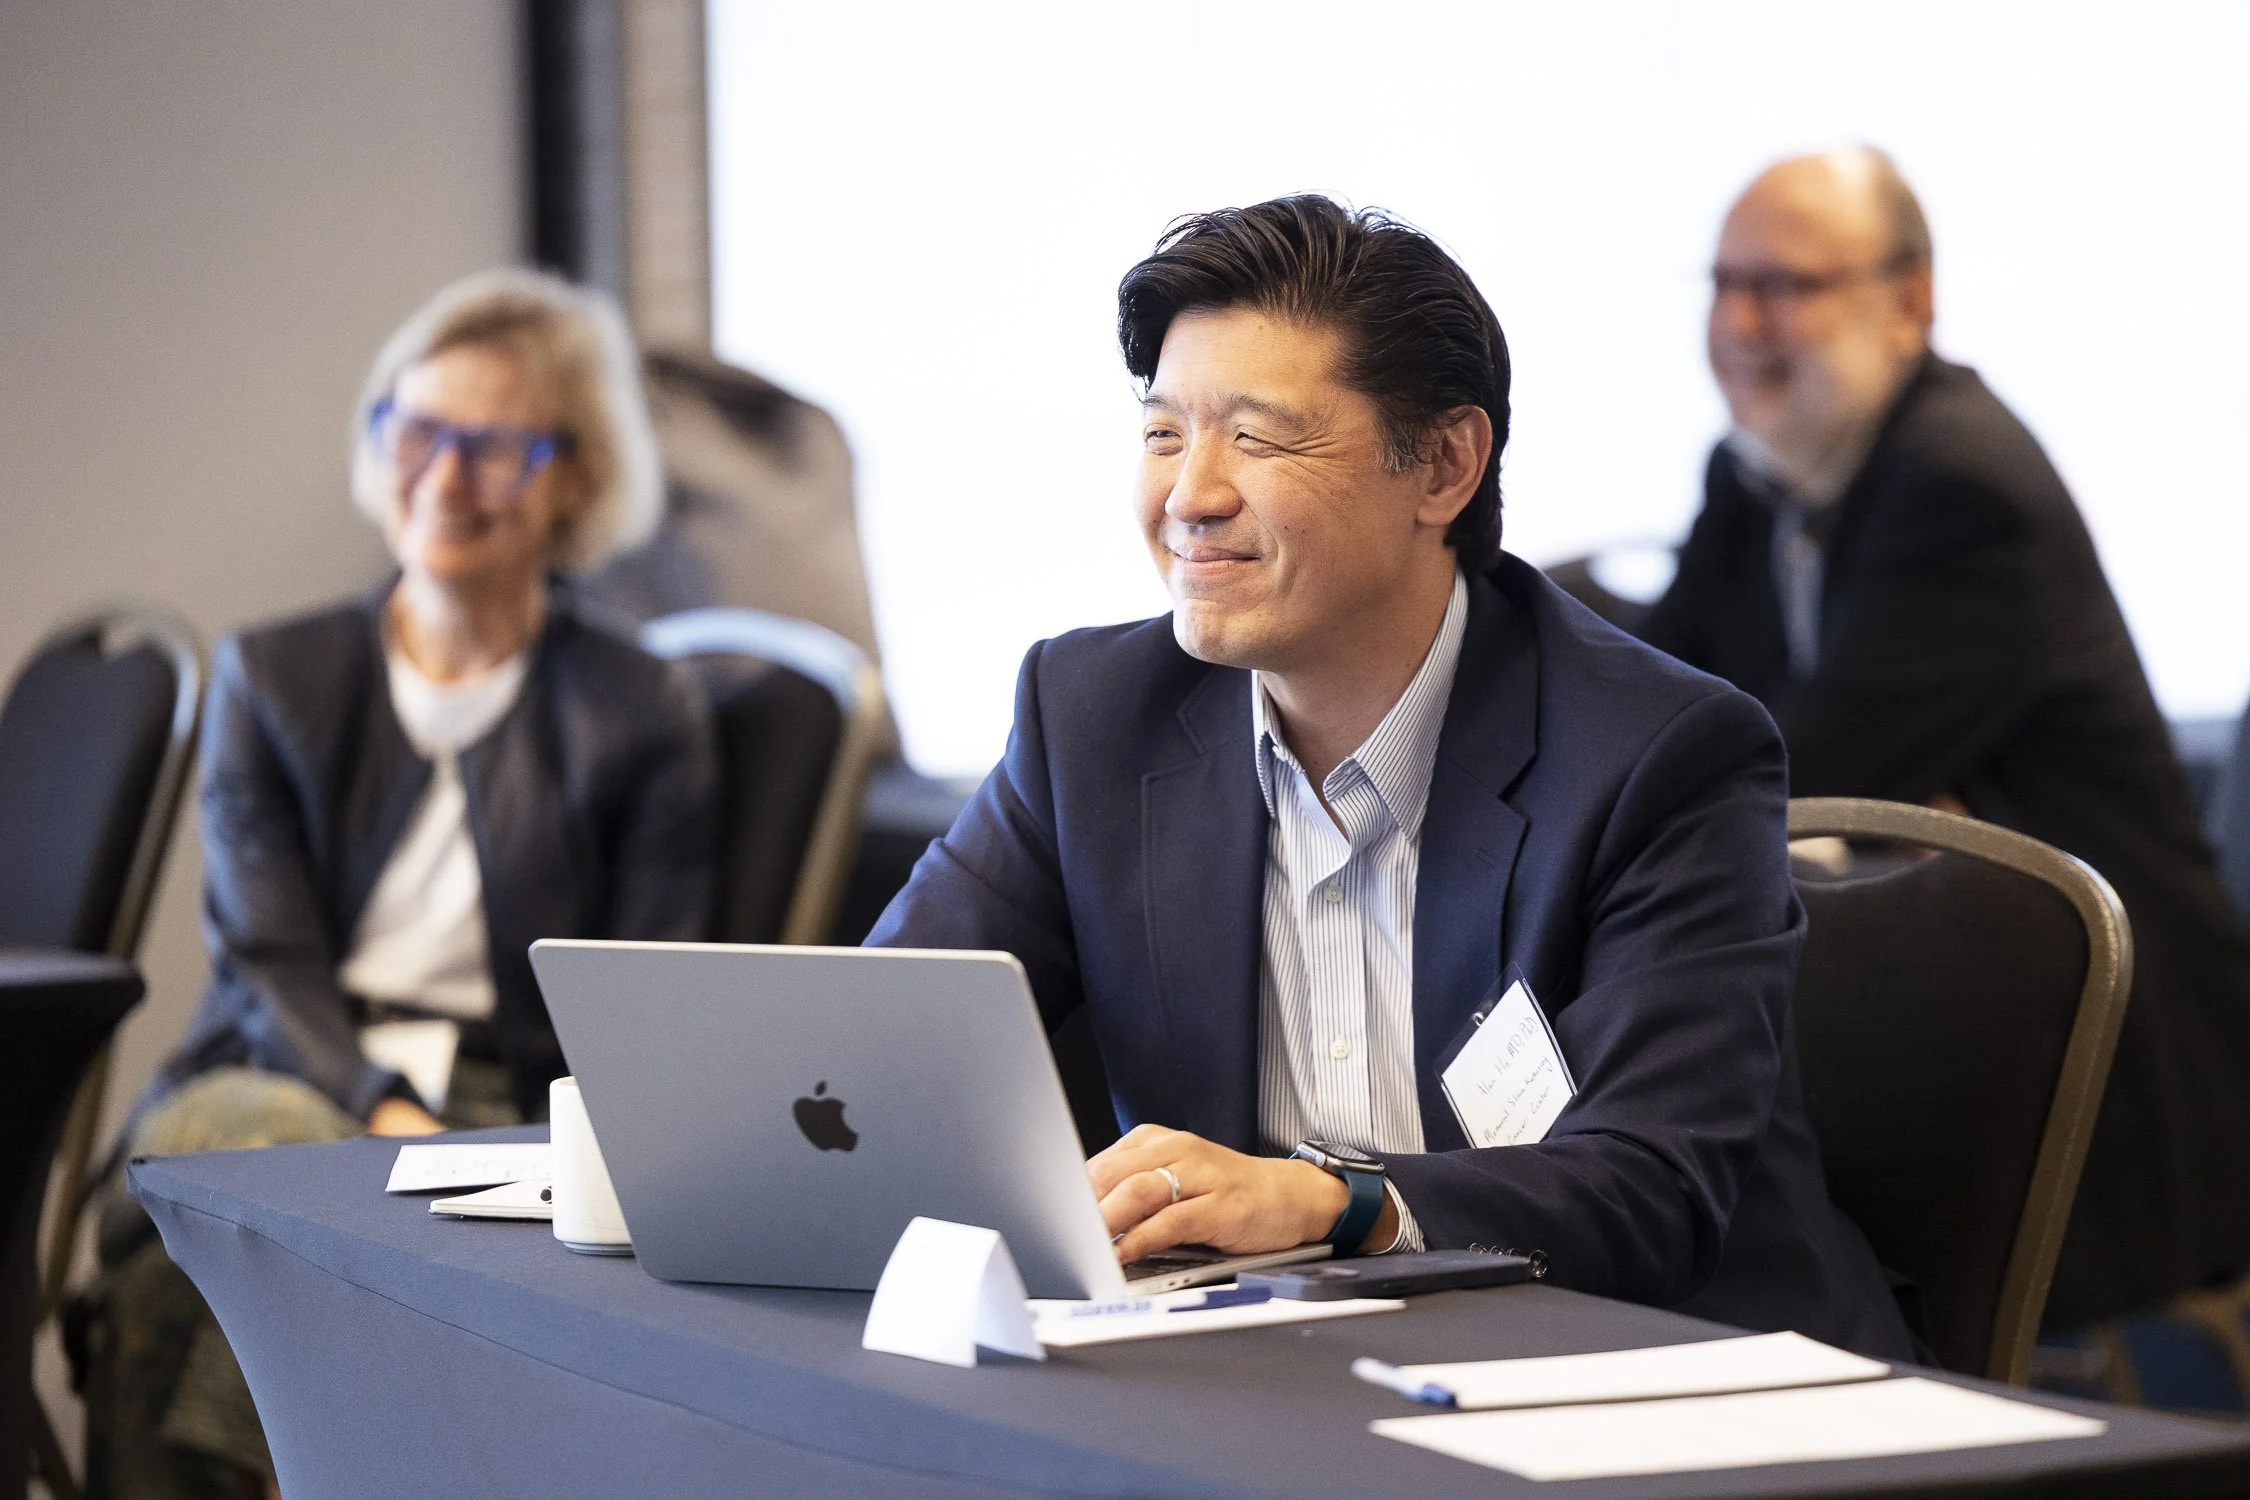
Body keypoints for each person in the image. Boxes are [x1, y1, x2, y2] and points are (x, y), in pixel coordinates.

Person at [869, 194, 1915, 1359]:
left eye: (1257, 438)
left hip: (1658, 1375)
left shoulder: (1659, 756)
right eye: (1164, 433)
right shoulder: (1093, 718)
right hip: (1285, 1381)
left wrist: (1339, 1202)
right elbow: (880, 1051)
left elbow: (1651, 1190)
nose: (1190, 496)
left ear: (1446, 467)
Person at [81, 268, 717, 1499]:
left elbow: (645, 1001)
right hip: (278, 1066)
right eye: (417, 432)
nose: (445, 474)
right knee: (265, 1161)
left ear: (572, 477)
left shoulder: (643, 712)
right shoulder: (271, 677)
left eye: (494, 447)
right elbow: (266, 965)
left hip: (512, 1110)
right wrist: (379, 1114)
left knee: (319, 1210)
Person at [1637, 148, 2250, 1327]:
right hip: (1943, 1000)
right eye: (1725, 282)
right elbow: (1662, 717)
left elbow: (1793, 769)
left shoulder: (1964, 486)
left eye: (1789, 286)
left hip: (2100, 1061)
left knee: (1739, 1210)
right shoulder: (1758, 469)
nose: (1744, 323)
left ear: (1910, 300)